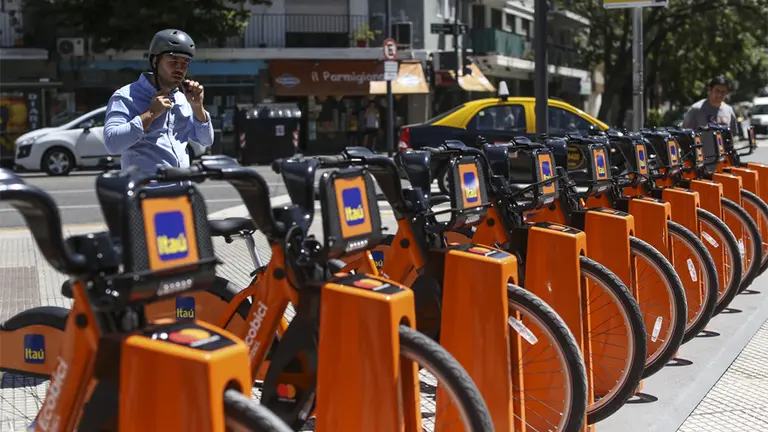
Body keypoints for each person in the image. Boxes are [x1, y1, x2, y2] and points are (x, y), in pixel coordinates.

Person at [104, 29, 214, 173]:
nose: (180, 69)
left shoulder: (183, 99)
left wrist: (198, 107)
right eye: (173, 62)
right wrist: (150, 114)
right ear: (155, 61)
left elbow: (206, 141)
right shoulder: (126, 96)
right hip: (146, 191)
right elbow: (112, 144)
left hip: (181, 189)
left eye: (185, 64)